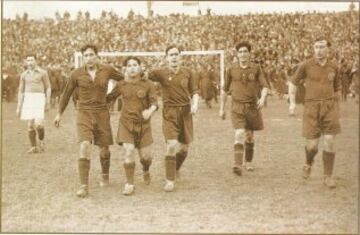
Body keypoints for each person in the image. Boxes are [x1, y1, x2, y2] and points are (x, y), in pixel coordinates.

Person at [53, 44, 124, 198]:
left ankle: (105, 174)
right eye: (86, 55)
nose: (89, 58)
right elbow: (66, 94)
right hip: (84, 113)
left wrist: (111, 97)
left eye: (92, 55)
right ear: (83, 57)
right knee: (84, 145)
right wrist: (59, 113)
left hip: (102, 113)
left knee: (104, 149)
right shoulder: (76, 74)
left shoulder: (107, 70)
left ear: (97, 56)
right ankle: (84, 186)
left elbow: (124, 80)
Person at [289, 37, 341, 188]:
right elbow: (292, 83)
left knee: (330, 140)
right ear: (313, 49)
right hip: (311, 108)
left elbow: (337, 88)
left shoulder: (334, 67)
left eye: (322, 47)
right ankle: (308, 162)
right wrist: (292, 103)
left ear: (328, 49)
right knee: (312, 146)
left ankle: (328, 176)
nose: (319, 50)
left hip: (329, 107)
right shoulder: (306, 65)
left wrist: (337, 107)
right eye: (316, 47)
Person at [148, 45, 199, 192]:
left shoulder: (188, 73)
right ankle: (170, 180)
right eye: (171, 55)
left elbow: (194, 91)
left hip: (185, 112)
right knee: (171, 144)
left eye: (176, 54)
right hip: (169, 112)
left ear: (180, 56)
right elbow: (144, 76)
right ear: (166, 58)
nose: (174, 57)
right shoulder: (161, 73)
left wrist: (195, 105)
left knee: (183, 148)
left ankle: (175, 168)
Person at [107, 56, 158, 195]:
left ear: (140, 67)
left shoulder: (148, 84)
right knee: (128, 151)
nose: (132, 67)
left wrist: (150, 111)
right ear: (125, 69)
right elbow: (109, 98)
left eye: (135, 64)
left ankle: (146, 169)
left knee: (146, 157)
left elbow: (155, 103)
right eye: (129, 65)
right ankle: (129, 184)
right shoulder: (121, 84)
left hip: (144, 125)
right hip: (126, 123)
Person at [219, 42, 268, 176]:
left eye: (245, 51)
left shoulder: (256, 68)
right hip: (237, 106)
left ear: (249, 53)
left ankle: (249, 161)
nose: (242, 54)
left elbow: (264, 86)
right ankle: (237, 165)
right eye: (240, 52)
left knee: (250, 136)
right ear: (237, 54)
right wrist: (221, 108)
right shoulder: (231, 69)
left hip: (252, 106)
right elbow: (224, 90)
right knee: (239, 133)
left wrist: (262, 98)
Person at [16, 54, 51, 153]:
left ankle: (41, 140)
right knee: (30, 125)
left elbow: (48, 87)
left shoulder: (43, 72)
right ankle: (34, 147)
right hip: (28, 99)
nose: (30, 63)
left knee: (39, 124)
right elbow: (21, 91)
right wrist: (19, 106)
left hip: (39, 98)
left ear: (36, 61)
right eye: (28, 60)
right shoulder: (24, 75)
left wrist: (47, 101)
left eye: (32, 60)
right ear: (26, 62)